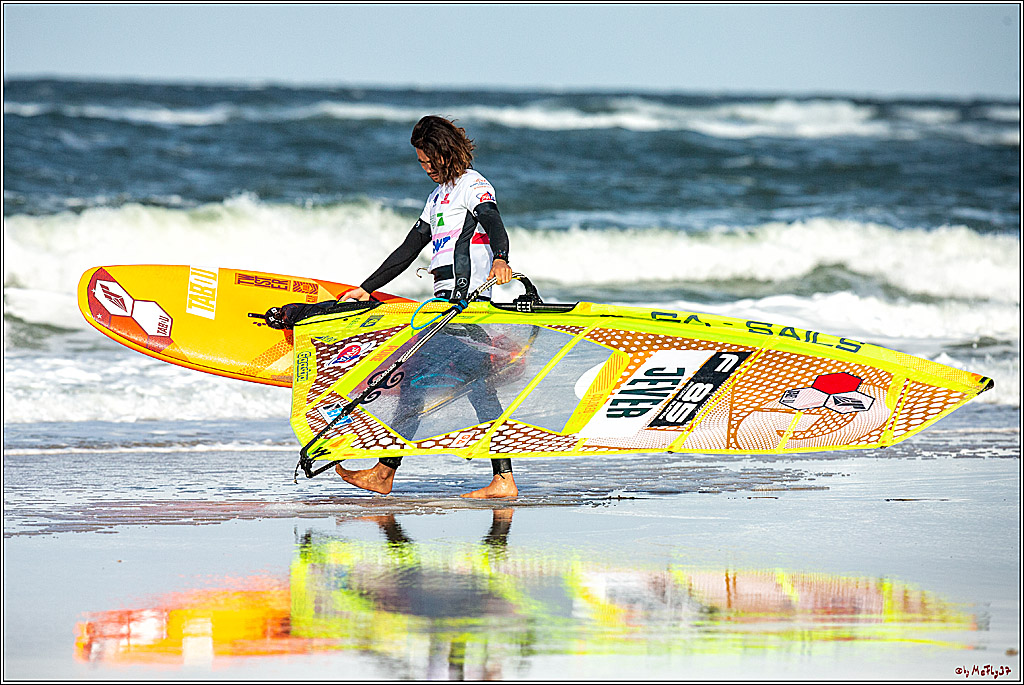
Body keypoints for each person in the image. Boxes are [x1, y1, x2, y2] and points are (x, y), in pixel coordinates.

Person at [337, 115, 516, 499]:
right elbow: (408, 249)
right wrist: (366, 288)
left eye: (427, 160)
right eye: (421, 162)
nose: (425, 168)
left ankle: (386, 473)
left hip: (465, 306)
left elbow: (493, 221)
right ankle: (502, 479)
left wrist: (501, 257)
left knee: (414, 381)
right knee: (477, 391)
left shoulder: (474, 185)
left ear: (443, 152)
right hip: (445, 308)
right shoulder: (436, 199)